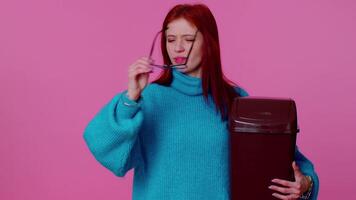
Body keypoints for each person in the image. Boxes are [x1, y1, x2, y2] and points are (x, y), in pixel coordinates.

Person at [83, 3, 319, 200]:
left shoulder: (235, 100)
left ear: (209, 42)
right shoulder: (148, 98)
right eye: (170, 39)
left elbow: (285, 158)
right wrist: (130, 97)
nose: (178, 48)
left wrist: (306, 184)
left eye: (188, 39)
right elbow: (104, 148)